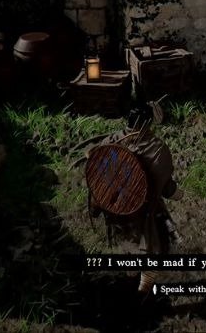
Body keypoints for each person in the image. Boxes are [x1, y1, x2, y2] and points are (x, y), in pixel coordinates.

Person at [80, 103, 182, 293]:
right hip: (141, 210)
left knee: (125, 238)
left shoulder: (112, 140)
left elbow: (99, 169)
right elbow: (165, 187)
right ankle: (144, 287)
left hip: (114, 206)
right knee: (149, 246)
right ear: (148, 123)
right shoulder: (157, 149)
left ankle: (131, 274)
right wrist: (177, 194)